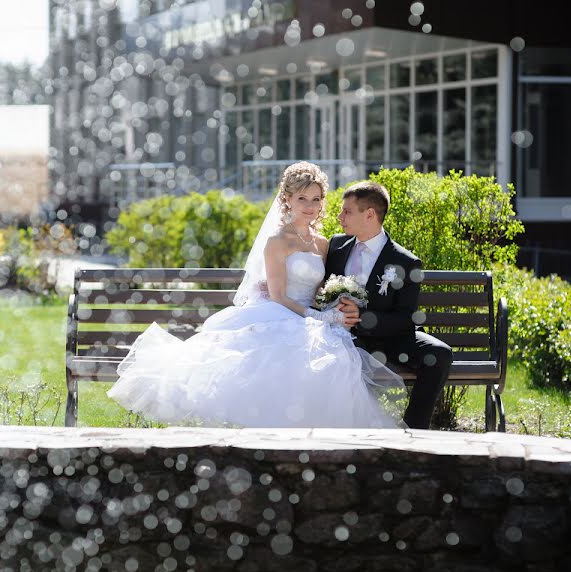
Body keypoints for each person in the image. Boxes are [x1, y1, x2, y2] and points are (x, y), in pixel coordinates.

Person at [106, 162, 406, 428]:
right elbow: (277, 295)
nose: (310, 205)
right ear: (287, 199)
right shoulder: (277, 240)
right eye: (302, 198)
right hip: (280, 311)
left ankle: (313, 438)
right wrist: (318, 316)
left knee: (334, 359)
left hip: (311, 318)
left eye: (316, 199)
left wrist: (333, 308)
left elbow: (320, 290)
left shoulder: (323, 243)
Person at [326, 180, 453, 429]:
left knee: (439, 354)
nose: (340, 216)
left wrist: (361, 317)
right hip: (342, 338)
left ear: (370, 214)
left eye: (347, 211)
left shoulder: (405, 261)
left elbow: (406, 318)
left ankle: (413, 430)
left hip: (391, 338)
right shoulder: (336, 247)